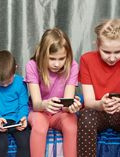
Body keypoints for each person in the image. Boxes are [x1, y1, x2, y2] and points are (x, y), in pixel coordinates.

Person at [78, 18, 120, 157]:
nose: (112, 58)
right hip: (97, 112)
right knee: (85, 116)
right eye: (106, 52)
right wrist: (101, 104)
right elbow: (89, 102)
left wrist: (119, 106)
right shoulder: (86, 59)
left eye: (117, 52)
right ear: (97, 44)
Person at [25, 28, 82, 157]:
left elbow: (67, 105)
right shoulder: (32, 65)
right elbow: (36, 104)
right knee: (40, 127)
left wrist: (72, 107)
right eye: (52, 59)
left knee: (71, 125)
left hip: (61, 113)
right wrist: (45, 105)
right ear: (42, 54)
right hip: (39, 111)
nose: (57, 64)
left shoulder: (73, 66)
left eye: (61, 58)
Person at [0, 50, 30, 157]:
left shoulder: (20, 82)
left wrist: (23, 117)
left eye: (8, 81)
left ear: (15, 68)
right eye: (0, 83)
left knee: (25, 143)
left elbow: (23, 105)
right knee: (1, 145)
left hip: (17, 120)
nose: (5, 85)